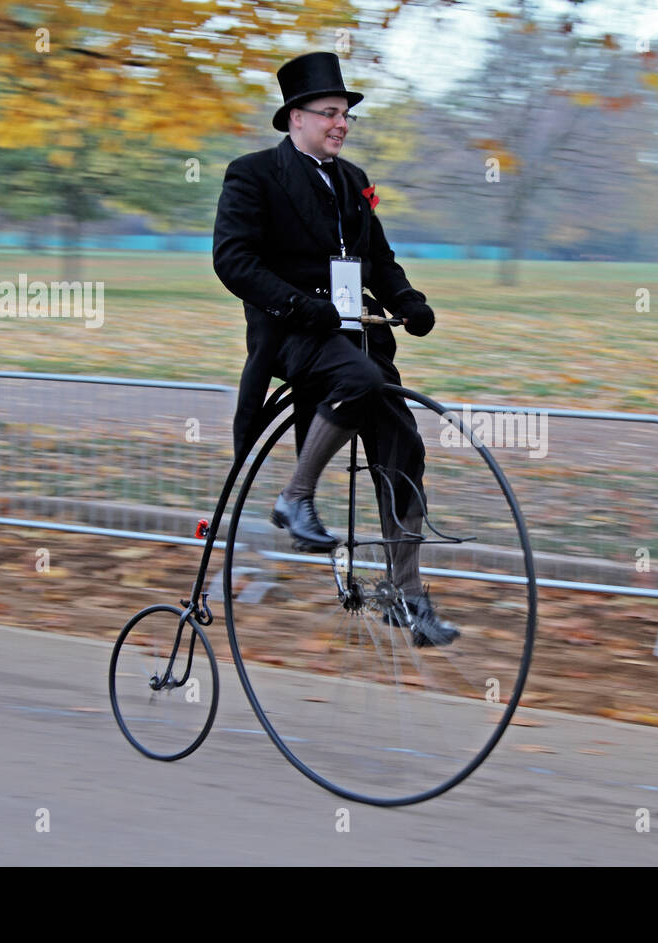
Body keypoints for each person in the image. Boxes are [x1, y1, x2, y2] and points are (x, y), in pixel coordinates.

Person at [212, 51, 458, 646]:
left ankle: (407, 594)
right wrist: (301, 305)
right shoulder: (253, 175)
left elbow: (377, 259)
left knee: (404, 445)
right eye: (329, 113)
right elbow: (233, 261)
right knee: (359, 381)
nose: (340, 124)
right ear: (295, 117)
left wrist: (408, 299)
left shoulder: (353, 181)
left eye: (345, 114)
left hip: (355, 338)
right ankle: (295, 498)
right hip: (295, 336)